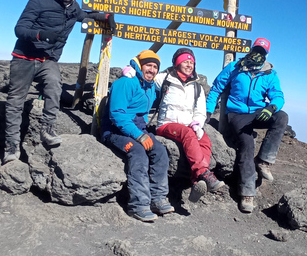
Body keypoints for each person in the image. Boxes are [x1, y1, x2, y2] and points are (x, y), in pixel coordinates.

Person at [3, 0, 115, 164]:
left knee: (55, 87)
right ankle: (12, 147)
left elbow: (85, 15)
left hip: (48, 60)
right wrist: (40, 34)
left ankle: (47, 129)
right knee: (16, 101)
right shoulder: (38, 1)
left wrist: (104, 17)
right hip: (24, 59)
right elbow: (20, 28)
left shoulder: (73, 8)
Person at [205, 38, 288, 213]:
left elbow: (278, 95)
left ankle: (264, 161)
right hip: (237, 114)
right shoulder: (235, 67)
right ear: (251, 49)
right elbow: (216, 88)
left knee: (281, 117)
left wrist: (272, 107)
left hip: (259, 112)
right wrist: (207, 111)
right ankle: (247, 192)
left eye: (262, 52)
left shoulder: (269, 73)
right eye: (257, 50)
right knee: (247, 144)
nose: (259, 54)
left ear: (266, 55)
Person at [101, 50, 173, 222]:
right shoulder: (126, 82)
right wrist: (139, 136)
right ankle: (138, 205)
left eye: (155, 67)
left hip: (138, 128)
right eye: (149, 65)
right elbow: (117, 114)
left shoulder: (149, 87)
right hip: (114, 131)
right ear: (140, 65)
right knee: (138, 153)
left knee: (161, 152)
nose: (152, 70)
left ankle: (158, 198)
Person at [154, 48, 224, 202]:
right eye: (186, 61)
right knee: (188, 134)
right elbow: (146, 75)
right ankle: (204, 174)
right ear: (177, 63)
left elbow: (200, 110)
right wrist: (132, 71)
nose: (189, 65)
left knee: (205, 140)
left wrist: (198, 124)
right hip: (166, 124)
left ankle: (196, 183)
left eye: (192, 62)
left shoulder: (197, 87)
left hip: (188, 125)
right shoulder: (165, 79)